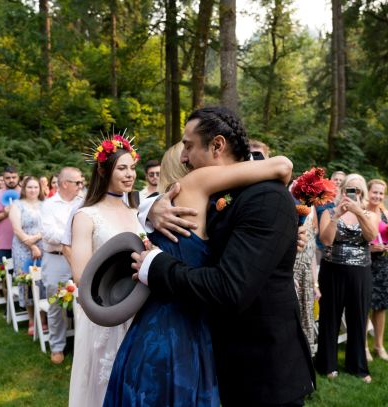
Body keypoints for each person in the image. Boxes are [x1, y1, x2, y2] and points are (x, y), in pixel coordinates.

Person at [129, 107, 315, 406]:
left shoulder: (266, 198)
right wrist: (150, 208)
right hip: (217, 363)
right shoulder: (215, 193)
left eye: (188, 146)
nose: (184, 157)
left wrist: (156, 266)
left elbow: (230, 289)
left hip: (260, 374)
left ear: (217, 145)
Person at [67, 136, 143, 407]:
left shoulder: (138, 211)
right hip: (105, 310)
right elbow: (81, 275)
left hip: (139, 305)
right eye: (122, 168)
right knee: (104, 380)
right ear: (103, 170)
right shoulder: (86, 216)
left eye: (132, 168)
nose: (130, 174)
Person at [315, 173, 379, 383]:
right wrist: (336, 216)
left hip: (360, 272)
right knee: (330, 317)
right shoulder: (329, 211)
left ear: (363, 194)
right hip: (332, 269)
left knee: (358, 318)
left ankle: (358, 366)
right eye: (349, 190)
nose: (353, 194)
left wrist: (359, 213)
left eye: (358, 190)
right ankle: (327, 364)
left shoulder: (368, 214)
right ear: (341, 191)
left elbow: (370, 237)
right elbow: (325, 240)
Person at [40, 167, 84, 364]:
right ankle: (57, 346)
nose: (81, 186)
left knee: (84, 299)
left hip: (80, 256)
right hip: (56, 258)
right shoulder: (48, 205)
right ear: (65, 183)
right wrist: (76, 236)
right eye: (78, 183)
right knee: (56, 303)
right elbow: (49, 233)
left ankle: (82, 345)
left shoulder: (83, 203)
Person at [365, 179, 388, 362]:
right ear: (368, 192)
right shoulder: (360, 213)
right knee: (365, 306)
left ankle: (379, 345)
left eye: (381, 193)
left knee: (381, 307)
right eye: (374, 192)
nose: (377, 196)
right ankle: (363, 347)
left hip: (383, 265)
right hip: (364, 264)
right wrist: (369, 249)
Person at [9, 176, 45, 336]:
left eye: (35, 187)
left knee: (43, 282)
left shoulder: (45, 205)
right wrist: (31, 245)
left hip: (43, 246)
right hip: (22, 248)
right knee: (28, 283)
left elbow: (50, 226)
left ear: (40, 188)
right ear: (24, 189)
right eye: (30, 187)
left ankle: (43, 318)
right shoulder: (17, 205)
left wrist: (37, 240)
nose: (33, 190)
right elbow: (17, 229)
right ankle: (31, 318)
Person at [292, 203, 321, 356]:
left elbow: (312, 252)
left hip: (307, 274)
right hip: (291, 273)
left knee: (306, 319)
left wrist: (315, 284)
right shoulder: (290, 204)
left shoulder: (311, 209)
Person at [315, 171, 346, 263]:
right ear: (330, 181)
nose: (338, 181)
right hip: (320, 246)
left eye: (341, 180)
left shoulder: (348, 202)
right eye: (336, 179)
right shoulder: (320, 200)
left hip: (340, 248)